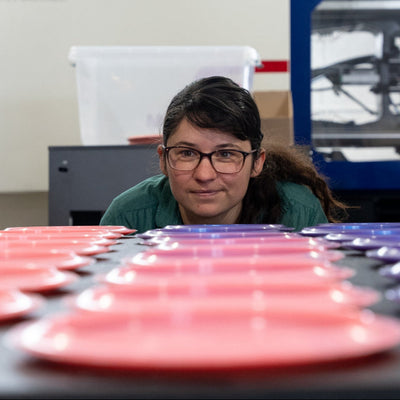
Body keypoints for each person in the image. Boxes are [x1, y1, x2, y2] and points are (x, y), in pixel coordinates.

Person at [100, 76, 347, 232]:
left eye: (226, 155)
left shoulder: (296, 212)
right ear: (163, 159)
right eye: (187, 153)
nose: (205, 174)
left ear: (256, 163)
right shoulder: (128, 218)